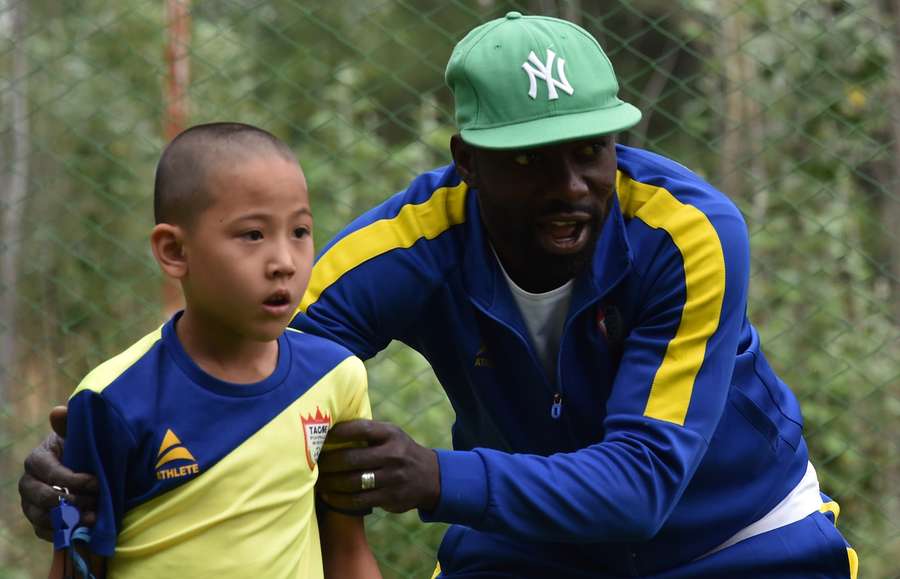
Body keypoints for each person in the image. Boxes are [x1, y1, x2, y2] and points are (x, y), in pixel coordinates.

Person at [21, 13, 857, 579]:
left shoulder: (690, 234)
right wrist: (93, 459)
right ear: (467, 159)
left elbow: (640, 485)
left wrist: (433, 476)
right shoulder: (408, 248)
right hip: (530, 548)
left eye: (591, 151)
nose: (571, 186)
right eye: (530, 159)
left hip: (741, 538)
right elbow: (239, 367)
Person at [41, 122, 382, 578]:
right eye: (253, 235)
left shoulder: (336, 376)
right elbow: (77, 565)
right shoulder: (112, 399)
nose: (284, 262)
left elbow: (348, 549)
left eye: (299, 231)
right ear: (174, 250)